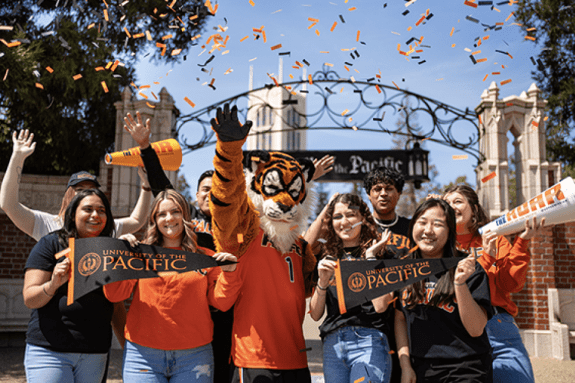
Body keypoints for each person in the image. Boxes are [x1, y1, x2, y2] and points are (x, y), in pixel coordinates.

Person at [104, 188, 237, 382]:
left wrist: (230, 274)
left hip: (194, 356)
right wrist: (118, 258)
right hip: (143, 355)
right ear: (154, 219)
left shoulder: (205, 257)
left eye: (175, 211)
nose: (169, 218)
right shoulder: (139, 254)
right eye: (161, 214)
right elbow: (114, 295)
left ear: (185, 215)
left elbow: (221, 303)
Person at [443, 185, 543, 383]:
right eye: (446, 203)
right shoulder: (439, 247)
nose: (452, 207)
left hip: (498, 328)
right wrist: (487, 258)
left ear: (473, 209)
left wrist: (521, 243)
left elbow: (510, 284)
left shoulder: (494, 238)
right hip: (455, 330)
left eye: (458, 201)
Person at [22, 189, 117, 383]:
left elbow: (117, 304)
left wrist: (128, 349)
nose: (95, 215)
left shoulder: (112, 251)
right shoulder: (51, 244)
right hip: (50, 351)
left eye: (101, 210)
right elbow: (30, 298)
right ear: (73, 214)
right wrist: (53, 283)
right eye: (88, 209)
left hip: (95, 353)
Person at [395, 199, 494, 383]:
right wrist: (405, 366)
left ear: (450, 232)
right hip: (421, 369)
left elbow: (476, 329)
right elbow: (400, 318)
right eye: (422, 222)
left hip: (466, 367)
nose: (428, 230)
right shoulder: (404, 269)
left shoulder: (469, 269)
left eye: (438, 224)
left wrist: (460, 284)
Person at [0, 129, 152, 241]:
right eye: (79, 190)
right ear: (68, 196)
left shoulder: (102, 224)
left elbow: (136, 221)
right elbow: (9, 205)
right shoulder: (47, 224)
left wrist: (146, 185)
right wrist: (17, 158)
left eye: (91, 191)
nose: (85, 196)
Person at [309, 193, 394, 383]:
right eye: (338, 217)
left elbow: (381, 306)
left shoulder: (382, 254)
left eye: (350, 215)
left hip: (369, 339)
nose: (344, 221)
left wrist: (370, 260)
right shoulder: (326, 255)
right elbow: (315, 314)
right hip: (333, 343)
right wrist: (322, 281)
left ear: (362, 219)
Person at [363, 166, 412, 383]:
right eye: (377, 188)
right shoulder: (359, 229)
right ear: (369, 194)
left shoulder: (412, 228)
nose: (383, 193)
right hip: (369, 321)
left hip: (405, 317)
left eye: (389, 188)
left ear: (399, 193)